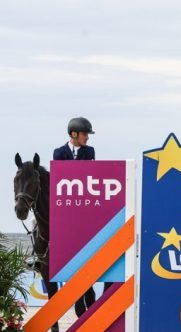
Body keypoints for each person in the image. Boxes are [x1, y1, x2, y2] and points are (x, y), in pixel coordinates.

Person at [52, 117, 98, 317]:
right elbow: (59, 178)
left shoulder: (90, 152)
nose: (87, 137)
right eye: (85, 134)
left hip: (83, 202)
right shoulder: (58, 153)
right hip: (64, 202)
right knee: (39, 220)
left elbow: (89, 174)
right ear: (74, 134)